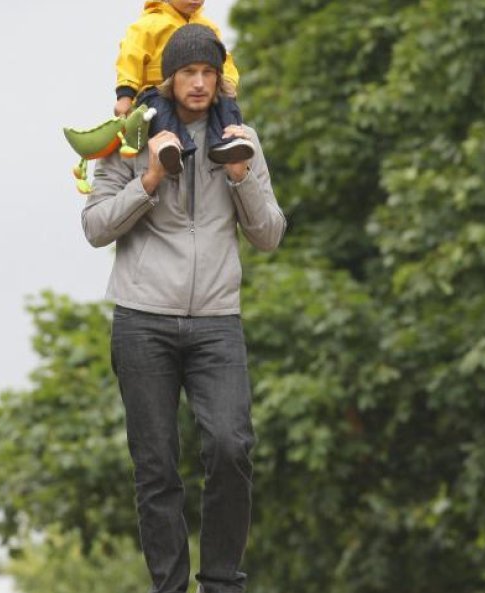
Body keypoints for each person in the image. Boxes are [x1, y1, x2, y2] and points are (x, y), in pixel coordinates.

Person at [82, 24, 286, 593]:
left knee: (230, 446)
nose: (198, 84)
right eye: (188, 73)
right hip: (142, 319)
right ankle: (168, 587)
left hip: (217, 321)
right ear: (168, 79)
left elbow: (269, 235)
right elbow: (95, 226)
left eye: (208, 73)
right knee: (156, 467)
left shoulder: (242, 137)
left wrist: (241, 176)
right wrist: (148, 177)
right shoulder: (130, 135)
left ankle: (221, 581)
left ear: (221, 79)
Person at [114, 0, 254, 171]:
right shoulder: (148, 25)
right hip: (156, 91)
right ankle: (170, 147)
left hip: (202, 96)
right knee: (159, 109)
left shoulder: (207, 26)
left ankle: (230, 140)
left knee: (226, 101)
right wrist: (125, 95)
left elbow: (224, 59)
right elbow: (130, 57)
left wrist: (229, 83)